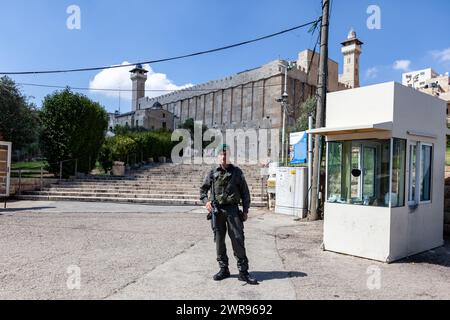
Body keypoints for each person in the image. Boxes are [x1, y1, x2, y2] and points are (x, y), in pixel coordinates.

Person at [200, 144, 258, 285]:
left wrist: (245, 210)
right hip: (217, 211)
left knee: (238, 239)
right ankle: (223, 269)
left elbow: (245, 193)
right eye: (221, 154)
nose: (223, 156)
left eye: (226, 154)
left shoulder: (237, 173)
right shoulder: (212, 173)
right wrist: (206, 202)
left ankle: (243, 272)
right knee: (219, 241)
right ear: (217, 156)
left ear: (229, 156)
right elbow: (203, 191)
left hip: (232, 211)